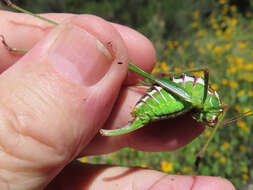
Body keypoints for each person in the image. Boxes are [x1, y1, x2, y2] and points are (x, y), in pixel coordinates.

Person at [0, 10, 235, 190]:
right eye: (215, 117)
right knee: (112, 58)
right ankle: (19, 25)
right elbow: (203, 75)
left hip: (181, 97)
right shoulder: (206, 98)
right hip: (180, 93)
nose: (213, 120)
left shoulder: (208, 109)